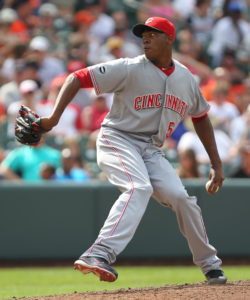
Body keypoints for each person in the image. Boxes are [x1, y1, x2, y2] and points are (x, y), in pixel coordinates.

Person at [40, 17, 227, 284]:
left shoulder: (186, 78)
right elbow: (77, 78)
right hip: (117, 138)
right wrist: (53, 118)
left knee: (182, 199)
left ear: (170, 39)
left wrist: (216, 163)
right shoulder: (129, 67)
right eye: (143, 35)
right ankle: (99, 253)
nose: (146, 38)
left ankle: (211, 266)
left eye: (153, 33)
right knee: (139, 188)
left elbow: (201, 117)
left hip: (150, 149)